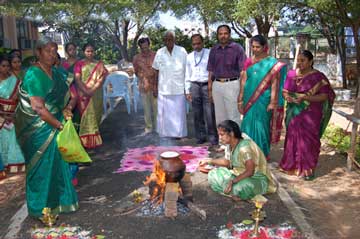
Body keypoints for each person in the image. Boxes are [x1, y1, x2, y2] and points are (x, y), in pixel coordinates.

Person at [15, 37, 78, 218]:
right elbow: (39, 108)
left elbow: (73, 96)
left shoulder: (58, 73)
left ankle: (61, 202)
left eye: (53, 51)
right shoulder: (33, 74)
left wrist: (67, 109)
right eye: (47, 51)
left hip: (57, 124)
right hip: (38, 130)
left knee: (58, 165)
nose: (52, 54)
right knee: (41, 168)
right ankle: (41, 209)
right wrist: (60, 126)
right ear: (38, 52)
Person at [279, 50, 335, 180]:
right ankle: (291, 166)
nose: (299, 63)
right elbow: (285, 91)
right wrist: (288, 97)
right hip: (294, 112)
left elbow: (324, 96)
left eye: (303, 60)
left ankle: (307, 170)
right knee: (292, 137)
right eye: (298, 60)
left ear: (311, 61)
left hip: (311, 113)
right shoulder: (291, 74)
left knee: (309, 140)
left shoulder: (318, 77)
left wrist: (306, 98)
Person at [199, 120, 276, 200]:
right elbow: (227, 162)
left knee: (240, 187)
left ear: (231, 134)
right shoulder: (230, 144)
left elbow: (250, 171)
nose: (220, 138)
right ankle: (234, 192)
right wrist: (209, 160)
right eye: (219, 135)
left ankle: (234, 191)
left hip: (255, 178)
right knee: (213, 174)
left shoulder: (245, 148)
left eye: (222, 135)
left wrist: (233, 181)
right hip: (237, 173)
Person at [238, 35, 287, 158]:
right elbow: (243, 80)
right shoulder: (249, 61)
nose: (255, 49)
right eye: (253, 47)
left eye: (257, 47)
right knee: (247, 126)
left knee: (262, 127)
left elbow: (275, 83)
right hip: (248, 98)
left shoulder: (272, 63)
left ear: (265, 47)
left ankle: (261, 155)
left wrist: (272, 102)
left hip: (264, 99)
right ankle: (248, 155)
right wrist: (240, 98)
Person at [207, 25, 246, 127]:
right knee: (220, 117)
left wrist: (241, 92)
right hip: (217, 85)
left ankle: (235, 142)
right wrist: (210, 90)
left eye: (225, 33)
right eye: (220, 34)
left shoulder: (237, 48)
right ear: (217, 35)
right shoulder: (214, 49)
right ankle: (224, 142)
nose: (223, 36)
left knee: (233, 116)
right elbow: (210, 71)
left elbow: (243, 71)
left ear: (229, 34)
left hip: (232, 84)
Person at [152, 31, 188, 138]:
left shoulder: (182, 51)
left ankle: (179, 134)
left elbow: (187, 69)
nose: (168, 41)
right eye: (166, 39)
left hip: (179, 88)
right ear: (163, 41)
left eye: (170, 39)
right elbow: (155, 71)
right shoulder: (160, 52)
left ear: (174, 40)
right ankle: (164, 134)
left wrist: (187, 87)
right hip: (164, 88)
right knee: (164, 114)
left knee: (178, 114)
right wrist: (155, 87)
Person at [73, 43, 108, 148]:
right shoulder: (79, 64)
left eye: (92, 51)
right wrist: (86, 91)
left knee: (96, 114)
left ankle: (95, 139)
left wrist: (92, 89)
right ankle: (85, 141)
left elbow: (102, 78)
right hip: (83, 94)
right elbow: (77, 79)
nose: (90, 53)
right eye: (88, 51)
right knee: (86, 117)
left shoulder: (99, 64)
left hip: (96, 93)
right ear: (84, 52)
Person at [185, 34, 217, 145]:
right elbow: (187, 74)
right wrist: (187, 90)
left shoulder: (210, 53)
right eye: (194, 44)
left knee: (209, 112)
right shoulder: (189, 57)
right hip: (194, 85)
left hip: (206, 85)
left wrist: (211, 86)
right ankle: (200, 136)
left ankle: (213, 137)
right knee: (197, 113)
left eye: (198, 43)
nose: (196, 46)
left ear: (203, 43)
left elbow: (213, 71)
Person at [0, 56, 25, 174]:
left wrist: (13, 114)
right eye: (3, 66)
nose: (5, 68)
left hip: (13, 115)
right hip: (0, 116)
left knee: (13, 139)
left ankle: (14, 163)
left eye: (7, 66)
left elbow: (19, 98)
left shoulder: (14, 81)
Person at [133, 37, 157, 134]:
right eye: (143, 48)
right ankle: (149, 128)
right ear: (140, 48)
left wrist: (155, 85)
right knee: (146, 109)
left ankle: (158, 128)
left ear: (149, 45)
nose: (145, 50)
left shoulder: (155, 55)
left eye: (146, 47)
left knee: (157, 109)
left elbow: (159, 71)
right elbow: (136, 72)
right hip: (144, 86)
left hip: (155, 85)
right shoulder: (136, 58)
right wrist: (143, 78)